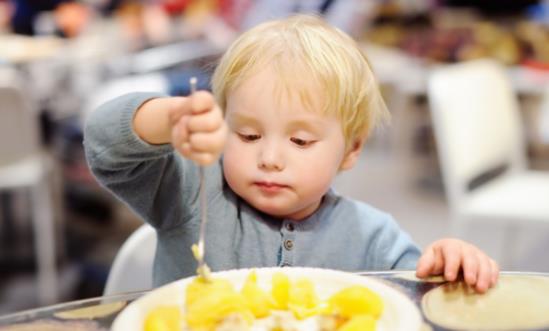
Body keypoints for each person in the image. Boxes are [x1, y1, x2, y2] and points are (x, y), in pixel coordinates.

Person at [84, 14, 499, 293]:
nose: (270, 158)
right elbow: (104, 145)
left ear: (351, 148)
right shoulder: (189, 192)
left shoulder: (374, 238)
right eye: (246, 135)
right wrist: (167, 120)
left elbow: (416, 301)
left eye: (300, 142)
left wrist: (449, 265)